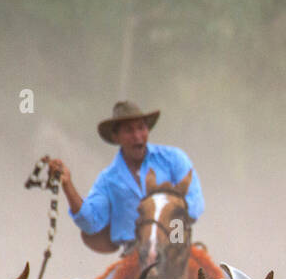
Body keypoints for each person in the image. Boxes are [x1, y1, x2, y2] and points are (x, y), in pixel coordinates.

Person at [45, 100, 205, 256]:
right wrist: (67, 184)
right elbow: (91, 221)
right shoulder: (108, 180)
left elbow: (195, 202)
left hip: (177, 249)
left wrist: (162, 221)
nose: (137, 136)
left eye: (141, 128)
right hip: (133, 257)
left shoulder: (173, 159)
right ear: (116, 137)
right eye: (129, 130)